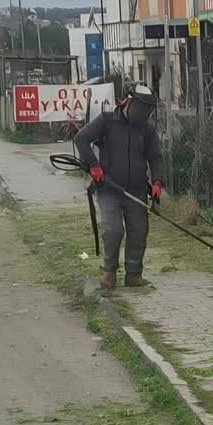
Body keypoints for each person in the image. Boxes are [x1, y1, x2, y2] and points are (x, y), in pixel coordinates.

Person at [74, 85, 165, 289]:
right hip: (109, 189)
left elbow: (156, 158)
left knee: (139, 231)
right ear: (129, 102)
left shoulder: (147, 129)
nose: (144, 114)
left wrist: (157, 181)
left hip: (137, 190)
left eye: (148, 110)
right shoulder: (107, 122)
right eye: (141, 109)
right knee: (114, 230)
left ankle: (133, 275)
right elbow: (81, 139)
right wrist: (93, 165)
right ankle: (109, 273)